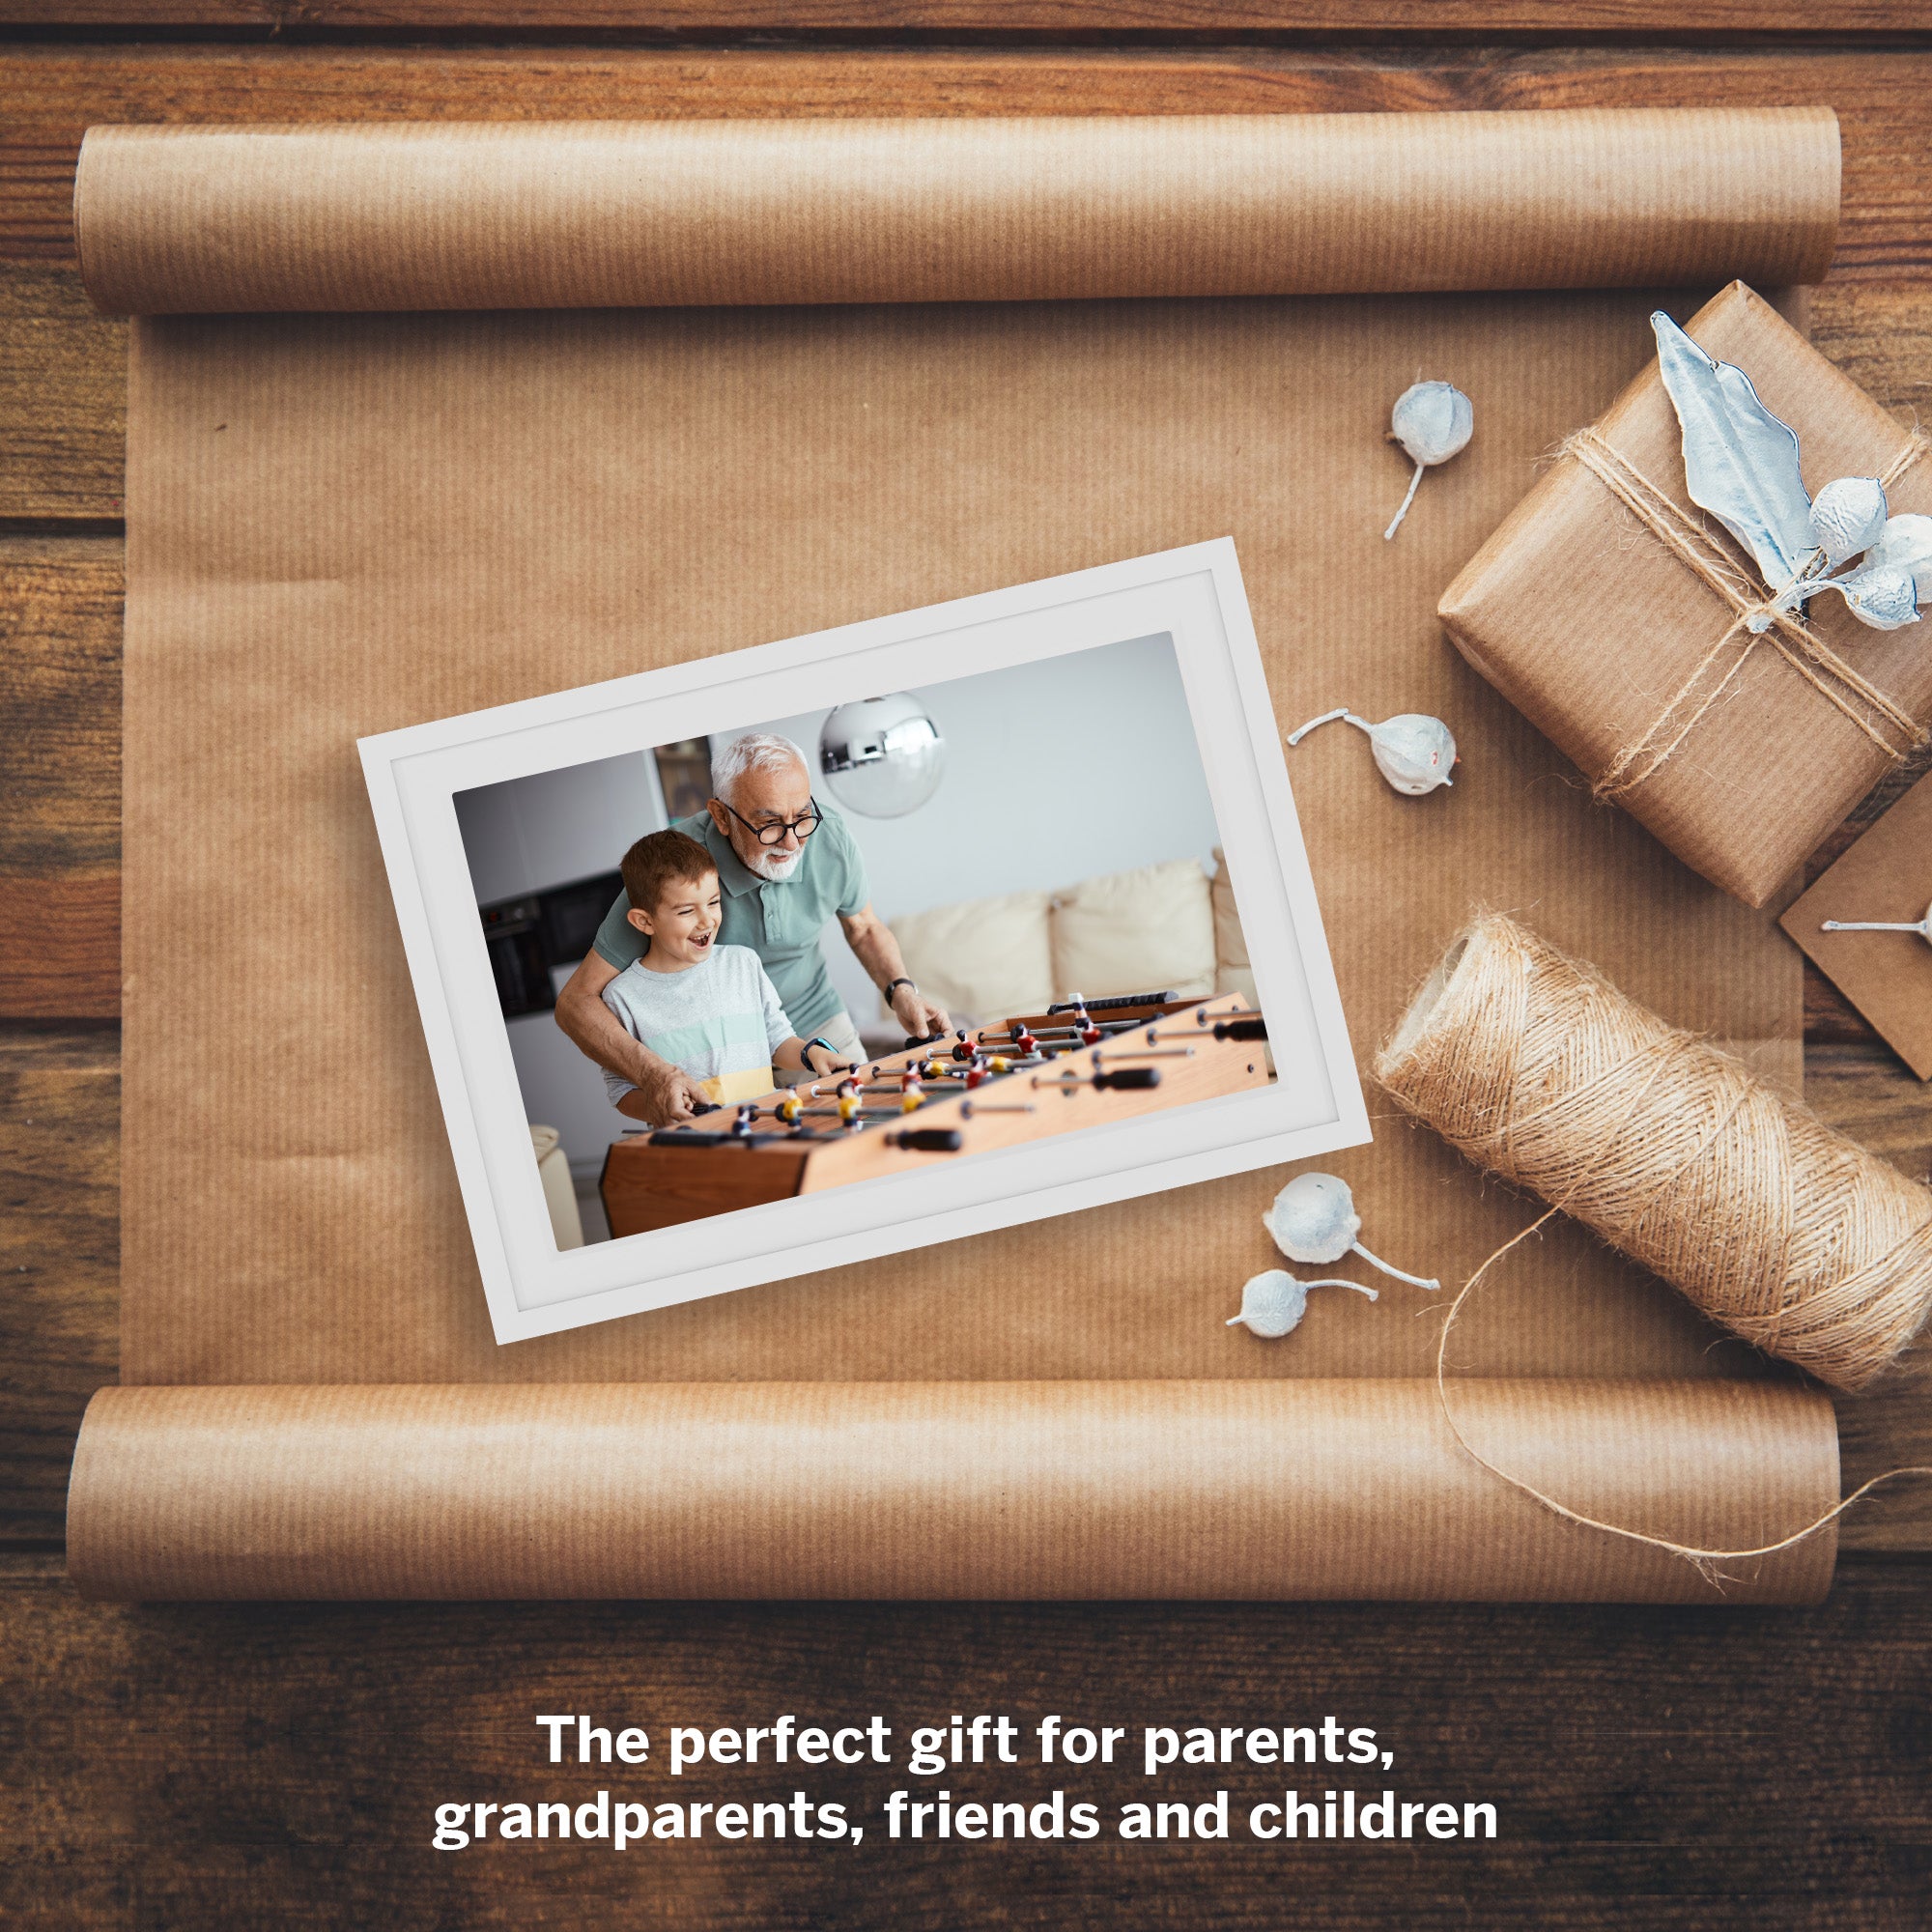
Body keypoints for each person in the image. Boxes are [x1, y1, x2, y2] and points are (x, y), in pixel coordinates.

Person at [554, 732, 950, 1124]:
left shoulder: (828, 834)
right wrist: (654, 1073)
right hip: (719, 1053)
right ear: (722, 816)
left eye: (802, 816)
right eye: (770, 824)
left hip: (812, 1023)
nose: (793, 843)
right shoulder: (676, 872)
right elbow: (577, 1001)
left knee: (868, 1130)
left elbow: (863, 927)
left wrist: (901, 990)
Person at [598, 830, 853, 1120]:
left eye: (713, 902)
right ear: (645, 921)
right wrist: (662, 1107)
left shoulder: (742, 963)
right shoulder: (622, 997)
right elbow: (620, 1090)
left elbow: (778, 1038)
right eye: (686, 912)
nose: (707, 920)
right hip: (695, 1148)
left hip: (767, 1128)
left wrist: (810, 1054)